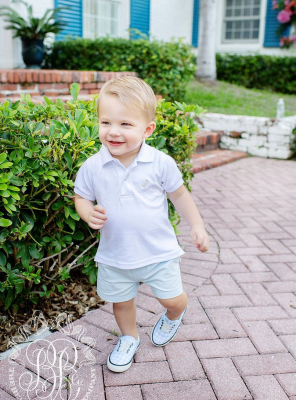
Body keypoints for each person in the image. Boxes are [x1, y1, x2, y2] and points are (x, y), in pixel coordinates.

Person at [74, 76, 209, 373]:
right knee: (121, 303)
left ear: (147, 129)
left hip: (158, 252)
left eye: (125, 124)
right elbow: (80, 197)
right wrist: (87, 213)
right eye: (106, 122)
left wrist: (197, 225)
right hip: (115, 255)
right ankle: (128, 337)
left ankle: (175, 314)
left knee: (171, 299)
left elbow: (180, 195)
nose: (113, 132)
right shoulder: (92, 167)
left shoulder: (160, 163)